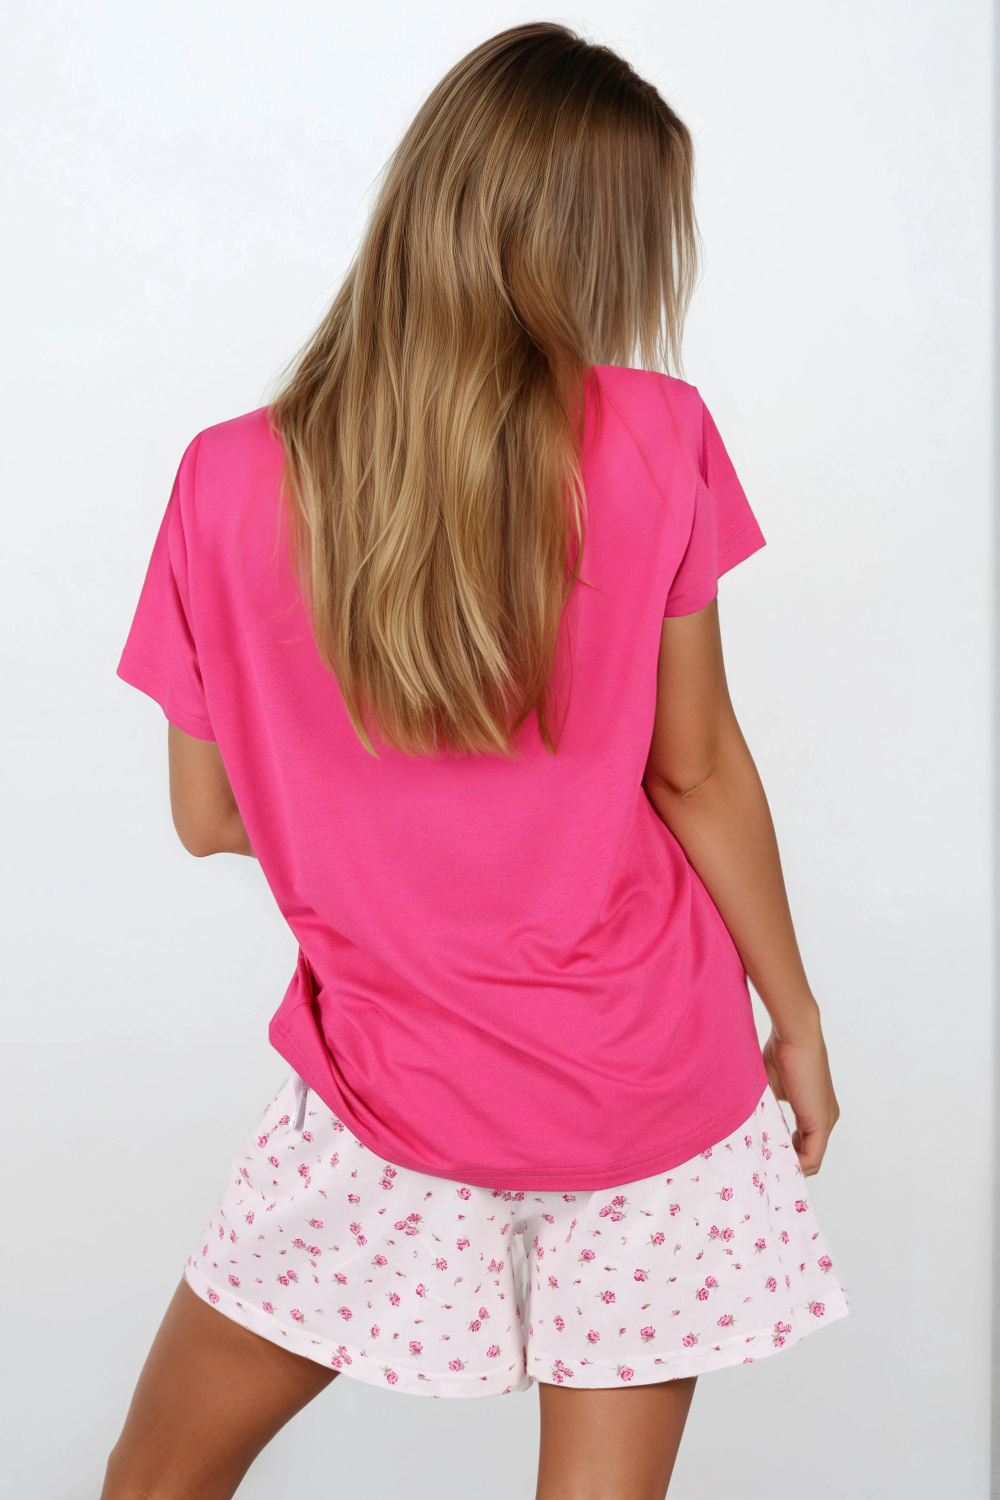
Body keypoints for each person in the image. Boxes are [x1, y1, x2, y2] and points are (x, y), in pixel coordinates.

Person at [103, 21, 848, 1500]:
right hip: (649, 1087)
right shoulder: (660, 436)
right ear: (602, 247)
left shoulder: (226, 476)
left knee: (157, 1481)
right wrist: (799, 1017)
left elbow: (207, 814)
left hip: (386, 1089)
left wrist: (361, 818)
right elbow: (693, 772)